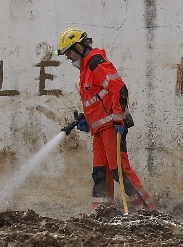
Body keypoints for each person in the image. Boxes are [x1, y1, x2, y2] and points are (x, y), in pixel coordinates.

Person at [57, 29, 155, 212]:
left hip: (112, 127)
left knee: (120, 171)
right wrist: (88, 119)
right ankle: (102, 211)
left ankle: (148, 210)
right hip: (100, 130)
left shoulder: (96, 63)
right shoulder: (86, 68)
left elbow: (119, 89)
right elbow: (98, 97)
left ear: (78, 47)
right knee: (101, 173)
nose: (68, 57)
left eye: (68, 52)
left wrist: (118, 120)